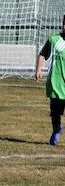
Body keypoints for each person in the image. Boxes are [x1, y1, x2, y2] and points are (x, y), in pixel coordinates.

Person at [35, 14, 65, 146]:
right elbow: (42, 54)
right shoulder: (54, 40)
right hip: (56, 84)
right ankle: (56, 130)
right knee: (55, 113)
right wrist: (39, 69)